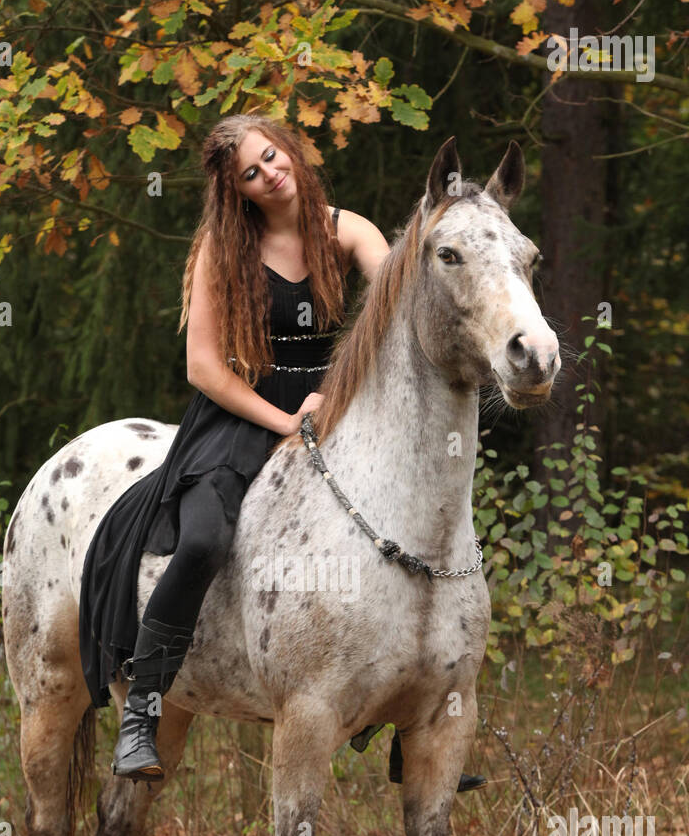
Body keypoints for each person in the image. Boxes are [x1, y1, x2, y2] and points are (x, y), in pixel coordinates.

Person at [78, 112, 485, 795]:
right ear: (237, 190)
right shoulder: (223, 248)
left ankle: (415, 718)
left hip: (335, 406)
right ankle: (144, 706)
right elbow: (203, 368)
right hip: (242, 415)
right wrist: (283, 419)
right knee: (205, 539)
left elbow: (401, 308)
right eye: (251, 172)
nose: (270, 173)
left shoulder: (344, 228)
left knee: (423, 525)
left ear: (289, 151)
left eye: (272, 156)